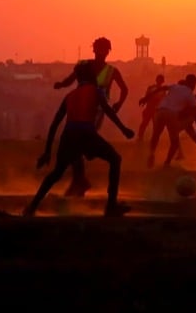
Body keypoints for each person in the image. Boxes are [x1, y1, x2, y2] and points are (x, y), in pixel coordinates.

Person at [24, 62, 134, 218]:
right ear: (92, 76)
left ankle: (32, 207)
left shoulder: (69, 96)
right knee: (115, 159)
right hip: (86, 133)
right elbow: (108, 111)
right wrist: (124, 130)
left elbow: (55, 124)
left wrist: (47, 151)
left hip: (68, 135)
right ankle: (111, 206)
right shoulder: (96, 91)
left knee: (56, 172)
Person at [54, 37, 128, 195]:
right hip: (81, 107)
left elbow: (124, 89)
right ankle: (79, 180)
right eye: (99, 48)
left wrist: (118, 105)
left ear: (108, 51)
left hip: (98, 110)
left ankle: (79, 181)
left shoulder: (112, 71)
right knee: (78, 145)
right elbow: (70, 80)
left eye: (105, 49)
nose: (102, 52)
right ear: (94, 50)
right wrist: (61, 84)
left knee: (79, 142)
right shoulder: (83, 66)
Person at [141, 76, 196, 165]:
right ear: (192, 84)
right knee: (177, 140)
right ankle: (167, 162)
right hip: (175, 117)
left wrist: (147, 97)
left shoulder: (176, 87)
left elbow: (162, 88)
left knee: (156, 134)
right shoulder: (189, 94)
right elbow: (195, 113)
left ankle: (152, 154)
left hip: (161, 111)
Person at [137, 74, 167, 143]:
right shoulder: (151, 88)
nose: (159, 81)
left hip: (157, 110)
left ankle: (154, 139)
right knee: (144, 123)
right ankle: (140, 137)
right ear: (156, 80)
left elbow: (163, 99)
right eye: (158, 79)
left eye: (161, 80)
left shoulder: (163, 90)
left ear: (162, 81)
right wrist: (144, 101)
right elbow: (147, 96)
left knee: (155, 126)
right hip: (149, 108)